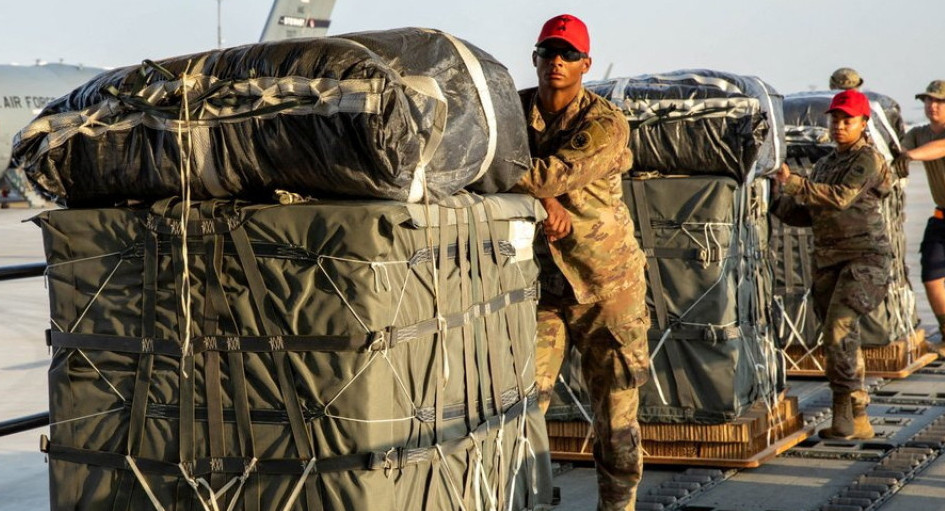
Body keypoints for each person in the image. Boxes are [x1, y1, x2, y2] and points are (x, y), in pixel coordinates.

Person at [513, 14, 648, 511]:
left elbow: (550, 172)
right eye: (549, 51)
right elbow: (492, 161)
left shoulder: (605, 122)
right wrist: (543, 202)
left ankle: (618, 507)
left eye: (568, 54)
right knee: (523, 404)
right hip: (542, 290)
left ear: (585, 64)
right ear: (535, 57)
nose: (557, 61)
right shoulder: (515, 111)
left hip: (606, 290)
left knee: (615, 420)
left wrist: (542, 192)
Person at [770, 89, 892, 440]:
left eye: (847, 120)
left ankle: (843, 411)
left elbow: (840, 198)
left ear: (863, 123)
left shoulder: (867, 159)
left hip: (865, 259)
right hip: (828, 262)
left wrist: (793, 182)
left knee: (839, 327)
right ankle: (859, 415)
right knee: (840, 337)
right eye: (835, 119)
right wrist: (774, 197)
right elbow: (804, 214)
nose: (839, 126)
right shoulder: (825, 164)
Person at [897, 81, 945, 340]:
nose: (932, 106)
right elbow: (900, 150)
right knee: (931, 276)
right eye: (928, 101)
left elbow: (939, 149)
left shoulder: (928, 143)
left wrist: (909, 156)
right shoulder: (918, 133)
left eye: (939, 101)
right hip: (941, 216)